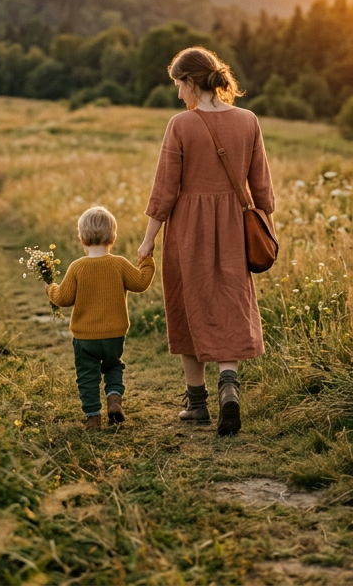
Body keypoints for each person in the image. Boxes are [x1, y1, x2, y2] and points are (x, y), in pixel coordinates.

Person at [138, 47, 274, 436]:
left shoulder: (181, 124)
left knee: (187, 304)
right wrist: (267, 227)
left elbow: (165, 190)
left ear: (191, 82)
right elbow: (261, 186)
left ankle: (196, 403)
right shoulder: (248, 121)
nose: (179, 93)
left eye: (179, 85)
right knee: (230, 302)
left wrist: (148, 240)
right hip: (234, 227)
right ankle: (229, 385)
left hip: (187, 230)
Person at [46, 206, 156, 430]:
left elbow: (64, 298)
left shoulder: (77, 267)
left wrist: (50, 288)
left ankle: (93, 418)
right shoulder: (119, 264)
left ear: (82, 239)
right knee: (113, 367)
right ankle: (114, 399)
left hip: (85, 338)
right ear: (113, 238)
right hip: (115, 335)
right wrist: (147, 261)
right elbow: (141, 283)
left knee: (87, 376)